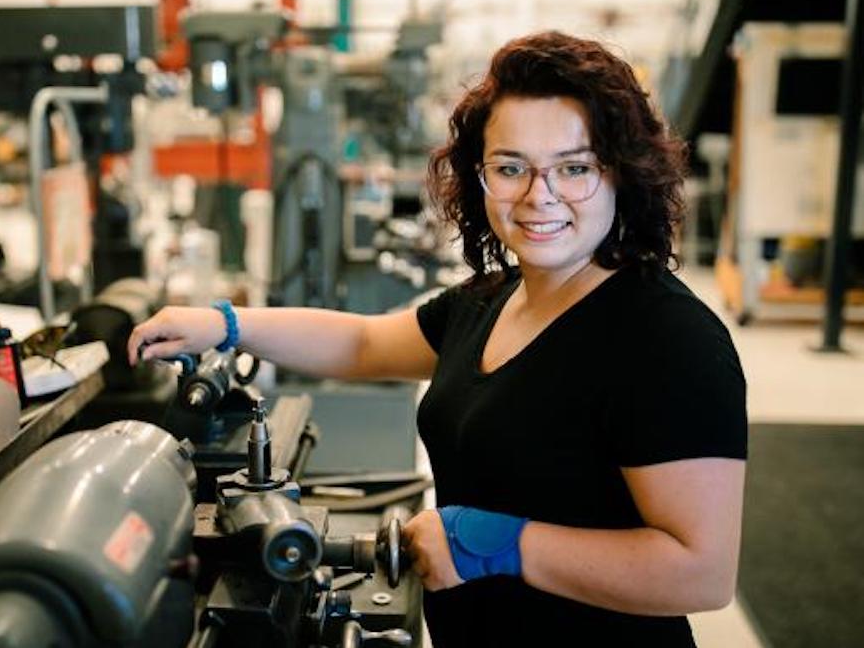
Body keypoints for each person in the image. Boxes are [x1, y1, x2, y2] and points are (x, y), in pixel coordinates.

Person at [128, 31, 747, 646]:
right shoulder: (496, 296)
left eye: (575, 167)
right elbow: (365, 345)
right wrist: (229, 325)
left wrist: (500, 546)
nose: (540, 195)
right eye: (511, 168)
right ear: (480, 177)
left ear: (623, 174)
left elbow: (700, 572)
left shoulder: (667, 339)